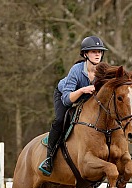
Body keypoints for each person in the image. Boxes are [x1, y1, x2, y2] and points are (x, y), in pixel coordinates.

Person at [38, 35, 108, 176]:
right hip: (65, 95)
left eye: (99, 51)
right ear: (85, 54)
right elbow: (67, 100)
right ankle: (49, 158)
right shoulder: (76, 70)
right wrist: (82, 90)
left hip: (87, 102)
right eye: (93, 51)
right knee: (59, 120)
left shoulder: (104, 72)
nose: (97, 54)